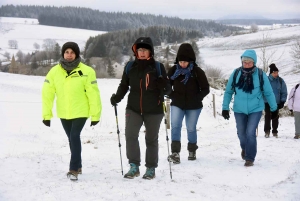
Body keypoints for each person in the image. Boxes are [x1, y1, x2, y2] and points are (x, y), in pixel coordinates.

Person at [110, 37, 171, 180]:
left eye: (145, 50)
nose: (142, 52)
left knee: (151, 139)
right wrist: (117, 97)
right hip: (133, 108)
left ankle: (150, 168)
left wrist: (163, 84)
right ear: (136, 52)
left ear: (150, 51)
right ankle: (134, 166)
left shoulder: (158, 67)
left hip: (154, 109)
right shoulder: (130, 66)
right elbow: (124, 85)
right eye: (139, 50)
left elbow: (168, 90)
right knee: (130, 136)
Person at [42, 42, 102, 181]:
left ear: (76, 54)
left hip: (81, 110)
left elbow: (93, 94)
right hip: (64, 112)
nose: (69, 55)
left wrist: (95, 114)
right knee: (71, 139)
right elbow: (47, 93)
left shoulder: (87, 71)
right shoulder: (54, 72)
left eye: (72, 52)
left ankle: (73, 169)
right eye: (67, 52)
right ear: (63, 54)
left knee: (74, 136)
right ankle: (79, 165)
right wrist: (46, 114)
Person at [222, 49, 277, 167]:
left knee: (250, 132)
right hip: (239, 109)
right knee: (241, 133)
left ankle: (250, 157)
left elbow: (268, 92)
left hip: (255, 108)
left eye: (249, 62)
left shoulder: (260, 75)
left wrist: (274, 108)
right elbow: (228, 92)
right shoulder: (236, 73)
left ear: (254, 63)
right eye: (244, 62)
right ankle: (245, 148)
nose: (246, 64)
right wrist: (225, 108)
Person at [166, 43, 210, 164]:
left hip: (194, 106)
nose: (182, 64)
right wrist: (172, 95)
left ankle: (192, 150)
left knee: (191, 128)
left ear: (191, 60)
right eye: (180, 62)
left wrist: (198, 98)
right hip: (177, 104)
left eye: (185, 62)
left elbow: (206, 88)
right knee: (175, 126)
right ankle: (175, 153)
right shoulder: (173, 71)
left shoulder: (197, 72)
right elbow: (166, 85)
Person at [264, 63, 287, 138]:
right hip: (267, 101)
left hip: (277, 102)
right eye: (275, 72)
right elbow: (261, 91)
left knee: (275, 116)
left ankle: (275, 131)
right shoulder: (266, 80)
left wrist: (282, 101)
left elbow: (284, 91)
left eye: (277, 72)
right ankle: (267, 131)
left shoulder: (280, 81)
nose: (276, 74)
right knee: (267, 115)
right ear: (271, 73)